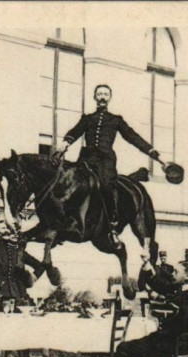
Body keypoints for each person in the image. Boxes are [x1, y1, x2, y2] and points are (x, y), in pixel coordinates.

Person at [59, 84, 162, 246]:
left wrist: (153, 153)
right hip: (86, 160)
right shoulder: (87, 118)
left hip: (105, 162)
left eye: (105, 94)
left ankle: (112, 226)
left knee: (107, 187)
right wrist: (66, 142)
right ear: (95, 97)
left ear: (109, 98)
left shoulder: (116, 120)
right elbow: (75, 131)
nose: (102, 97)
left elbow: (133, 137)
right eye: (99, 94)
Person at [0, 220, 34, 357]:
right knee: (2, 330)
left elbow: (40, 265)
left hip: (19, 295)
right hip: (1, 295)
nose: (6, 230)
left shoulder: (18, 251)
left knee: (23, 329)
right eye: (2, 227)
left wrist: (31, 278)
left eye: (8, 227)